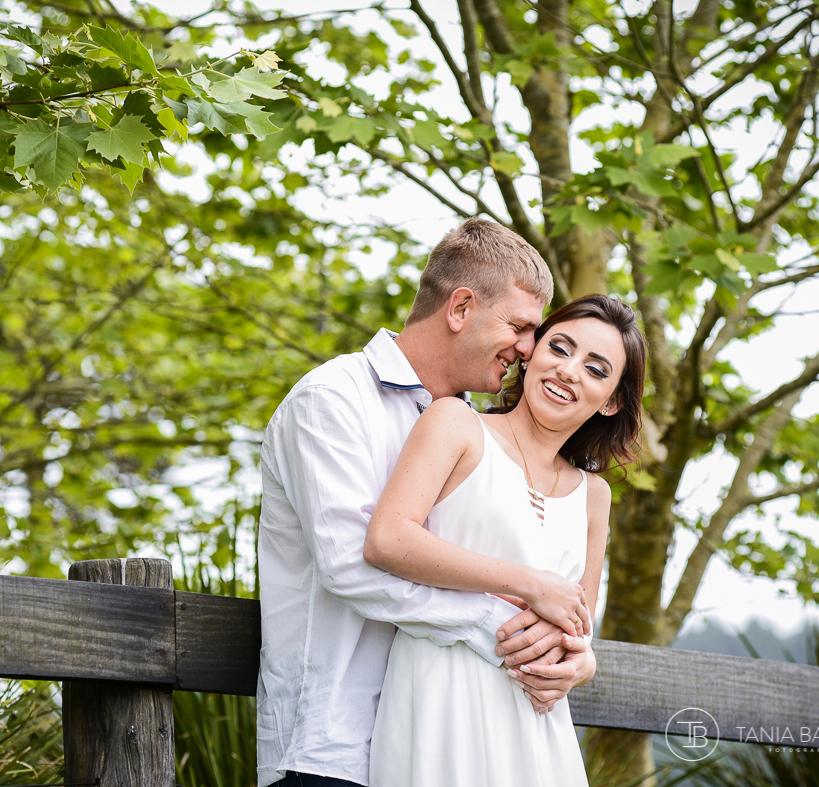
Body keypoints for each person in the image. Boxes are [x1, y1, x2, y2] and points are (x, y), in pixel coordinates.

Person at [256, 218, 597, 787]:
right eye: (518, 326)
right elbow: (351, 566)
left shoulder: (475, 435)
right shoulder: (332, 400)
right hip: (330, 749)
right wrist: (504, 625)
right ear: (460, 308)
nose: (529, 349)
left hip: (441, 748)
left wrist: (573, 658)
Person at [363, 294, 647, 785]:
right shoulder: (456, 423)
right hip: (441, 699)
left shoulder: (593, 497)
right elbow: (388, 538)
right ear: (532, 352)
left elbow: (578, 628)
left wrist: (583, 663)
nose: (568, 371)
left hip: (535, 725)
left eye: (596, 369)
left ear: (612, 401)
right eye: (559, 348)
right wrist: (531, 584)